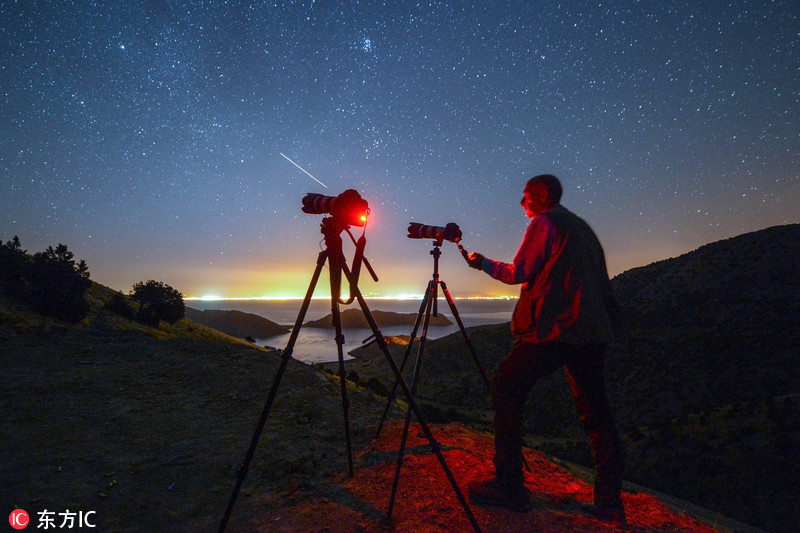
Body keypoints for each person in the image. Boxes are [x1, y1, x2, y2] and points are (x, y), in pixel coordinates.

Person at [462, 174, 627, 525]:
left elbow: (517, 272)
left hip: (555, 330)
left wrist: (482, 263)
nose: (522, 203)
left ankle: (509, 487)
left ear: (544, 196)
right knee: (597, 414)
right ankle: (610, 503)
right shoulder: (581, 227)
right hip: (591, 332)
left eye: (526, 196)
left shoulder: (545, 223)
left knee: (506, 386)